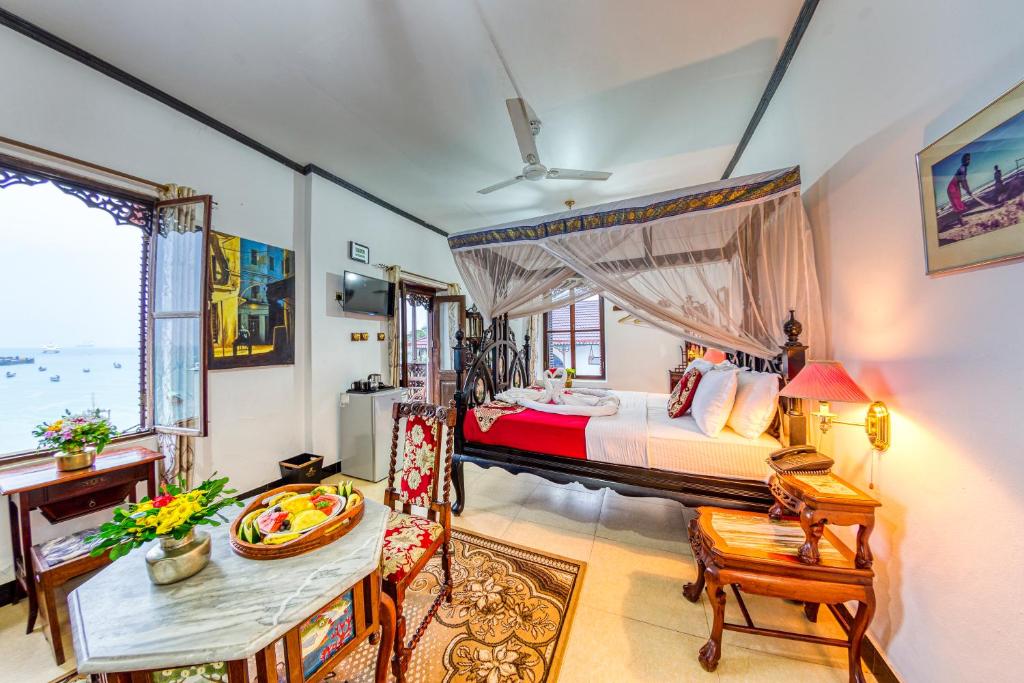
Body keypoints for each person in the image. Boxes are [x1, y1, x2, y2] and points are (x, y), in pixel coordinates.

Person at [946, 153, 973, 226]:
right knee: (958, 205)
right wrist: (968, 190)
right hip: (952, 188)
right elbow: (963, 181)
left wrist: (967, 190)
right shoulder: (962, 168)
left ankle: (961, 221)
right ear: (963, 160)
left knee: (958, 205)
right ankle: (961, 222)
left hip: (955, 187)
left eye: (969, 159)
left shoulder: (963, 168)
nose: (968, 161)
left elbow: (963, 182)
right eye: (967, 159)